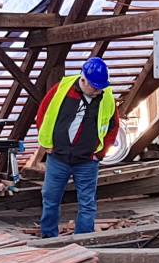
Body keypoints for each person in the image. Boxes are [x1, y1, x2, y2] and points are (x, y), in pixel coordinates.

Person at [29, 56, 120, 239]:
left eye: (100, 87)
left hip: (87, 161)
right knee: (50, 199)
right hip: (58, 157)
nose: (98, 91)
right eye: (94, 87)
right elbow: (44, 115)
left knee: (87, 203)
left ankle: (83, 240)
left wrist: (99, 154)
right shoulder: (62, 90)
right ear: (83, 79)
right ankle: (49, 239)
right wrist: (47, 144)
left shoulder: (106, 97)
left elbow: (112, 126)